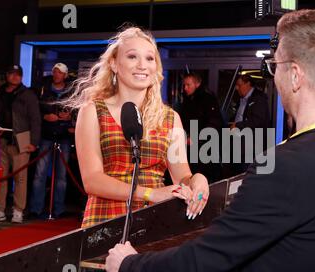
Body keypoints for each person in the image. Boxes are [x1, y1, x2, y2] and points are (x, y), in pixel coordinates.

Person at [105, 9, 315, 272]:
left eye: (273, 66)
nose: (273, 75)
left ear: (294, 76)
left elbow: (205, 260)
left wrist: (130, 265)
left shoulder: (285, 165)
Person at [66, 27, 209, 228]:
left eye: (150, 59)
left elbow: (182, 176)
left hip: (154, 219)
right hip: (105, 218)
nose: (142, 65)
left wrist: (198, 180)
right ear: (114, 64)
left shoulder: (170, 118)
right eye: (132, 57)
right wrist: (151, 193)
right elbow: (92, 180)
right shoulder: (92, 111)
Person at [0, 65, 41, 223]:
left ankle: (18, 210)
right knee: (1, 177)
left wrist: (34, 142)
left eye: (18, 75)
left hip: (21, 139)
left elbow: (35, 119)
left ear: (21, 77)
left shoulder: (27, 94)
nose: (15, 77)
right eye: (12, 74)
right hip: (1, 139)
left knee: (20, 178)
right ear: (7, 75)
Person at [28, 63, 74, 219]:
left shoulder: (72, 91)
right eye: (55, 72)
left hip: (64, 137)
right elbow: (34, 111)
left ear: (65, 75)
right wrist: (44, 117)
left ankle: (59, 210)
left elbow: (80, 110)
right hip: (46, 136)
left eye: (60, 72)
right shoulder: (42, 89)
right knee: (39, 175)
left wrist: (71, 117)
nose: (56, 75)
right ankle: (36, 209)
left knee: (61, 177)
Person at [179, 72, 223, 183]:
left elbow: (214, 123)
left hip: (205, 147)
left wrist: (197, 138)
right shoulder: (186, 101)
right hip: (190, 146)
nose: (185, 88)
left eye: (188, 85)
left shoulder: (208, 100)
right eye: (184, 85)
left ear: (197, 84)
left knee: (205, 178)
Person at [230, 74, 271, 175]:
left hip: (252, 146)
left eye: (239, 85)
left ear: (248, 84)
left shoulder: (258, 98)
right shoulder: (242, 100)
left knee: (247, 174)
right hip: (240, 144)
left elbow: (258, 121)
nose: (236, 88)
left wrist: (238, 125)